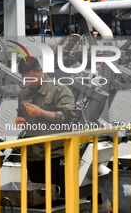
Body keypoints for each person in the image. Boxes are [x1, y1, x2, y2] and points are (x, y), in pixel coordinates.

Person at [15, 57, 76, 197]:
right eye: (25, 80)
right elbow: (23, 117)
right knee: (39, 199)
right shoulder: (23, 93)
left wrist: (40, 112)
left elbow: (68, 118)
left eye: (31, 79)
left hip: (56, 154)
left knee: (61, 197)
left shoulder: (59, 90)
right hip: (33, 155)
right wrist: (20, 120)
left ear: (40, 71)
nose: (28, 83)